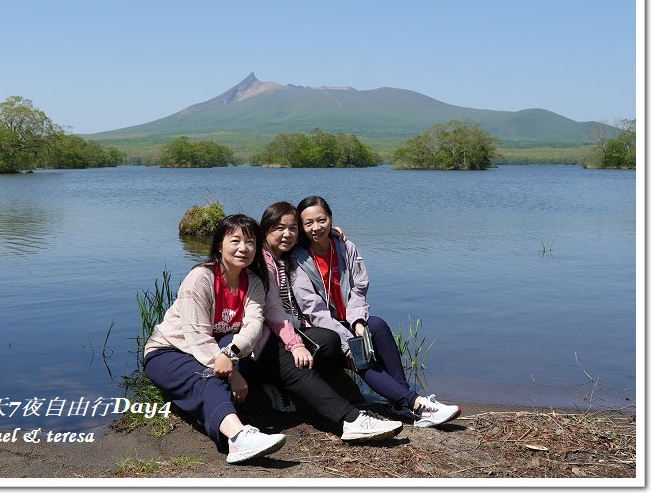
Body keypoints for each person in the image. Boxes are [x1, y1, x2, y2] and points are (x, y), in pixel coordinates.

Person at [290, 196, 461, 428]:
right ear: (301, 226)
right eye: (308, 223)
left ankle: (400, 401)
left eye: (321, 220)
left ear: (330, 219)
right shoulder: (298, 260)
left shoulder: (345, 247)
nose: (316, 227)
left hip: (349, 318)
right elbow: (315, 310)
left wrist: (358, 321)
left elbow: (359, 289)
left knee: (377, 325)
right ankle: (417, 404)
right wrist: (349, 340)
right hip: (322, 330)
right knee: (359, 352)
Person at [243, 201, 403, 442]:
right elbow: (274, 313)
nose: (287, 234)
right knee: (323, 348)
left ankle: (402, 399)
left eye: (293, 228)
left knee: (345, 335)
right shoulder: (261, 263)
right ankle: (363, 415)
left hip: (294, 333)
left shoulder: (289, 256)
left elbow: (317, 237)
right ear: (265, 230)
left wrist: (332, 235)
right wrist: (296, 344)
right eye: (279, 228)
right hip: (267, 342)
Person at [143, 214, 286, 464]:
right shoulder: (201, 278)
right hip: (169, 351)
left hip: (217, 350)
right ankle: (238, 437)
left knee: (218, 365)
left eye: (250, 242)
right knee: (208, 377)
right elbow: (197, 337)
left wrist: (230, 355)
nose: (244, 248)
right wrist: (233, 373)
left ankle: (231, 429)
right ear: (219, 245)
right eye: (235, 241)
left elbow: (254, 325)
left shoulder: (252, 282)